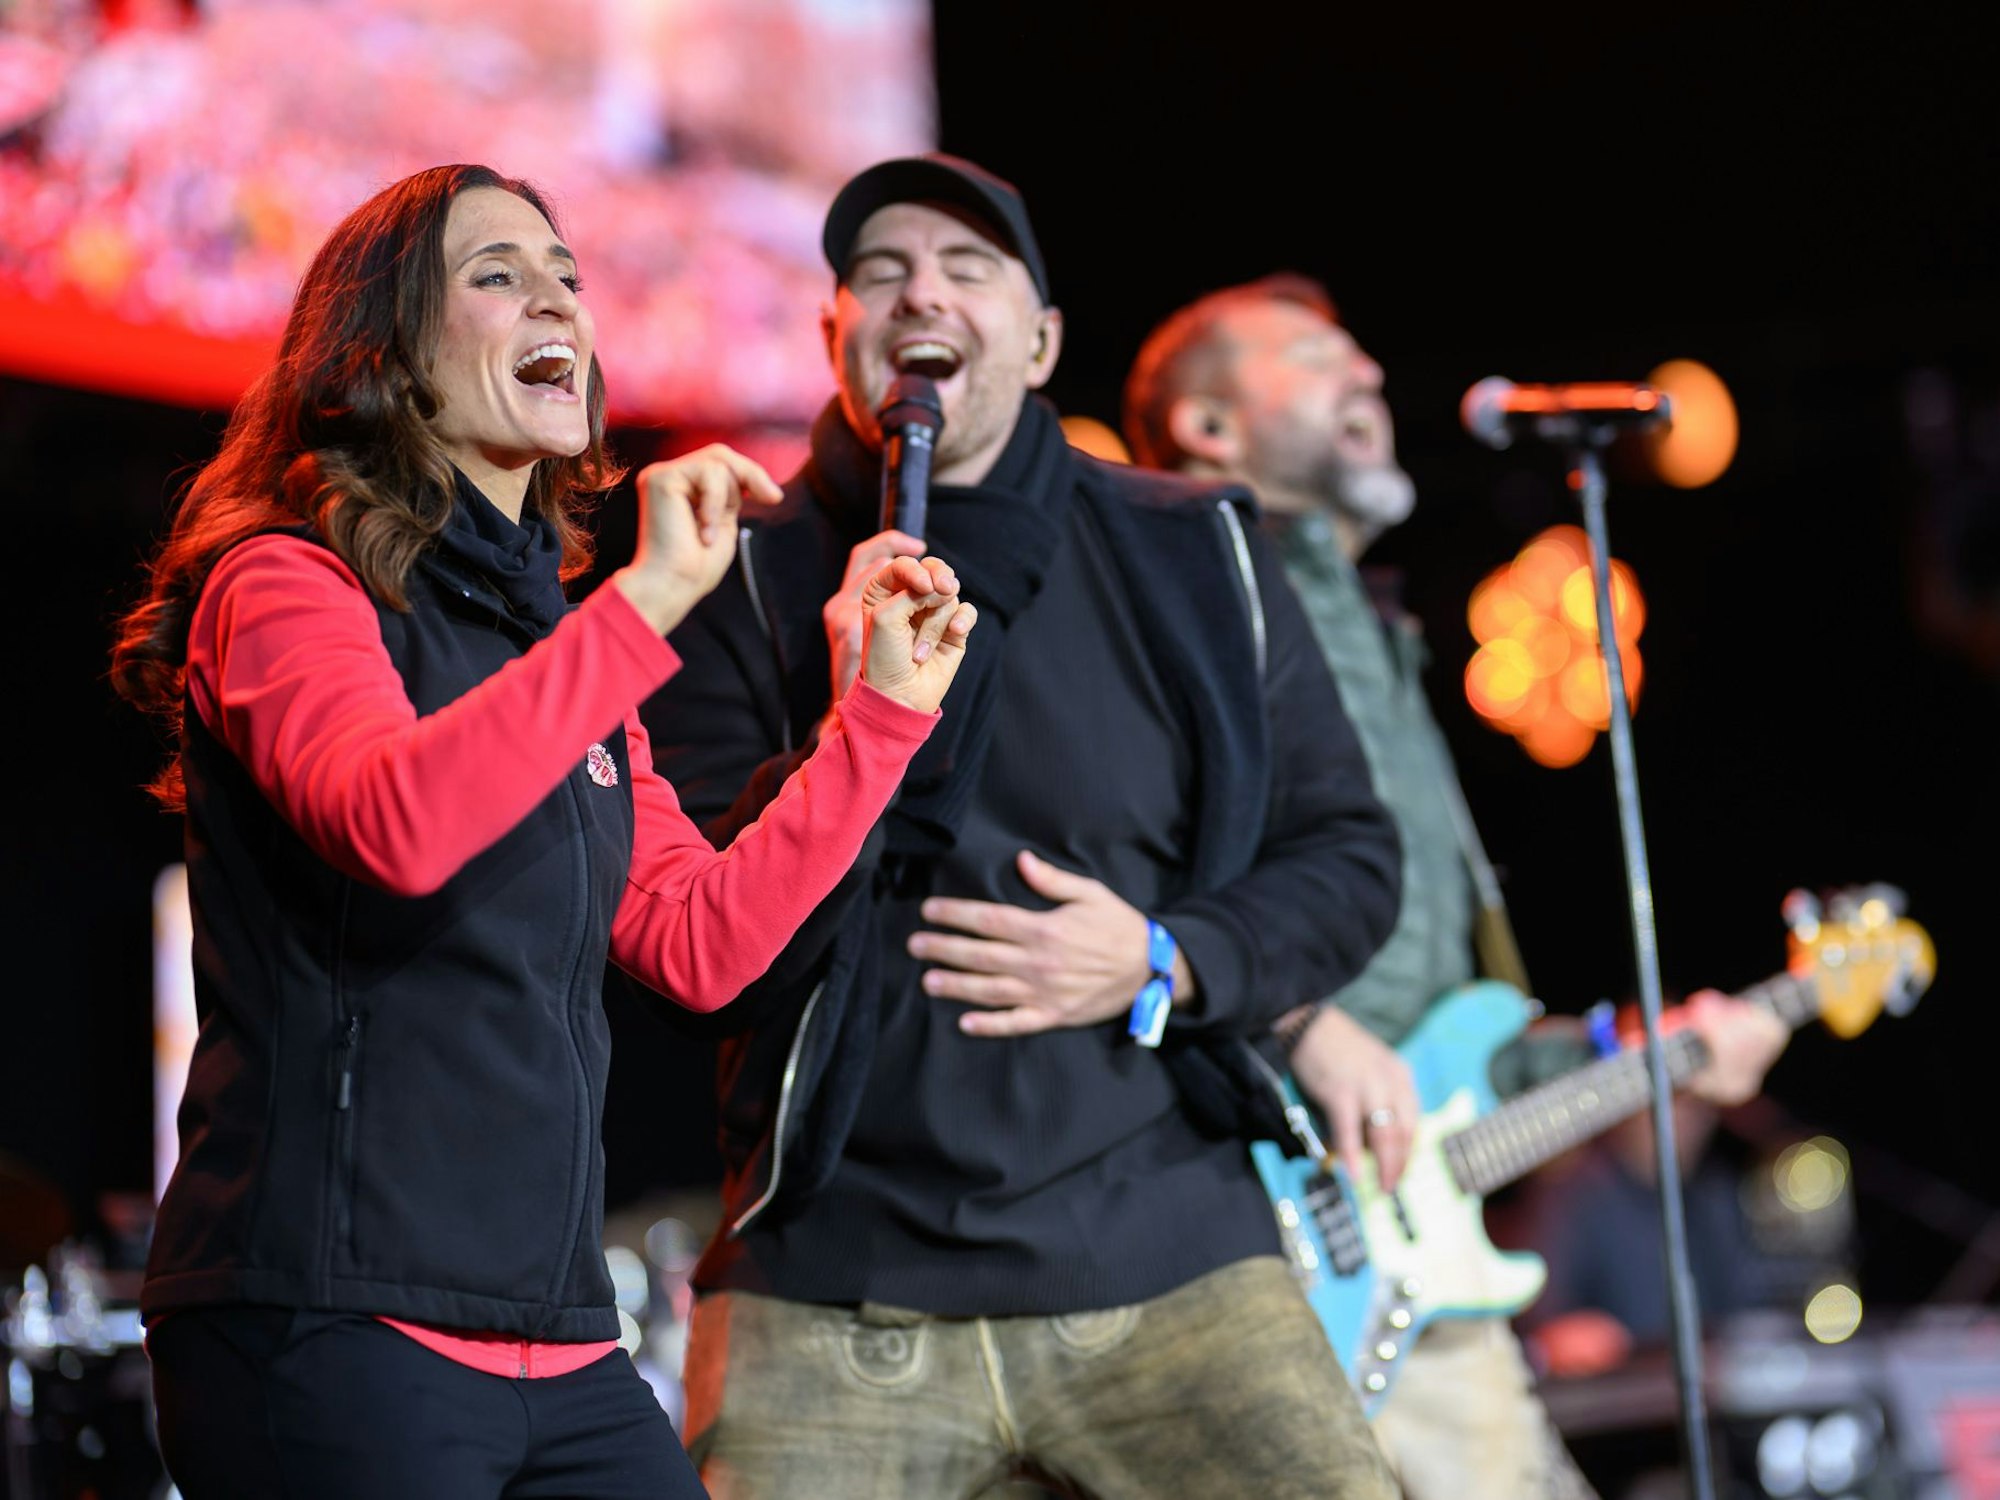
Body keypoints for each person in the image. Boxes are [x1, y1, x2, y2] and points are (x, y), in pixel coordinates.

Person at [109, 162, 978, 1500]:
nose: (558, 299)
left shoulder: (565, 655)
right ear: (384, 353)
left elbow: (701, 945)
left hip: (559, 1340)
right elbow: (393, 822)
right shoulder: (283, 584)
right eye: (497, 274)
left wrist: (877, 723)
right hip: (329, 1323)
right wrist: (642, 606)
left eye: (567, 276)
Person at [639, 156, 1404, 1498]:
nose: (919, 292)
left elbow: (1346, 856)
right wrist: (850, 729)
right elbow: (693, 941)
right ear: (833, 336)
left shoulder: (1193, 549)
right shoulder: (739, 570)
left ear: (1041, 343)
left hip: (1167, 1256)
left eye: (966, 268)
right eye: (880, 272)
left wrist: (1165, 957)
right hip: (834, 1278)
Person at [1123, 274, 1791, 1500]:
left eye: (1358, 353)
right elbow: (1121, 881)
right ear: (1207, 427)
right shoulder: (1188, 610)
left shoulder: (1370, 628)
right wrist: (1294, 1023)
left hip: (1405, 1253)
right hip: (1248, 1240)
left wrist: (1636, 1048)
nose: (1367, 372)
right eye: (1313, 356)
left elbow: (1442, 1018)